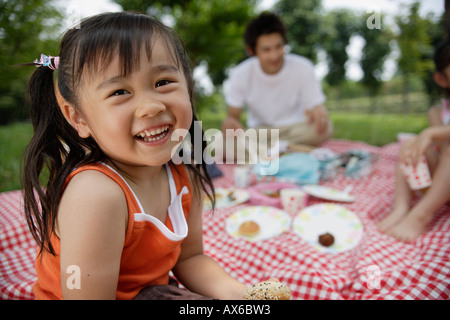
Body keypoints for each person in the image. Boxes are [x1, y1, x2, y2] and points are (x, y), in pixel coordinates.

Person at [21, 12, 251, 300]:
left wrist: (246, 296)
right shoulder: (96, 194)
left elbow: (190, 259)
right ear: (78, 117)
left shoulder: (184, 172)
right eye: (120, 91)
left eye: (163, 82)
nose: (151, 106)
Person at [221, 12, 332, 161]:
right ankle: (288, 150)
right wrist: (230, 123)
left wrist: (319, 111)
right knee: (224, 144)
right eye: (266, 50)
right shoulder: (241, 73)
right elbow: (233, 117)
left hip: (295, 128)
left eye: (279, 46)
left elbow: (316, 106)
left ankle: (271, 152)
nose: (274, 56)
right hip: (261, 132)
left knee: (324, 129)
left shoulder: (302, 66)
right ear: (251, 51)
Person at [378, 39, 450, 242]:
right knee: (410, 143)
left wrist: (430, 133)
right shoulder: (438, 112)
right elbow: (439, 148)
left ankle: (420, 216)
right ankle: (401, 207)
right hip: (442, 185)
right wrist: (425, 138)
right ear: (441, 79)